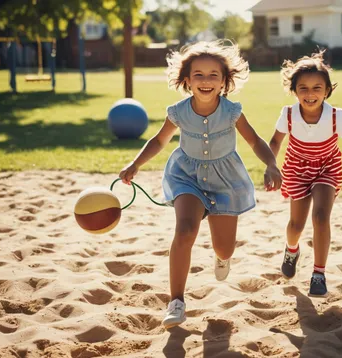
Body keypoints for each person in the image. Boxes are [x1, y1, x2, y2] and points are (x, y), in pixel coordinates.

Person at [119, 40, 282, 328]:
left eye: (213, 75)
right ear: (186, 80)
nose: (205, 81)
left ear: (224, 82)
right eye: (198, 75)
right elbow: (158, 141)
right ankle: (177, 301)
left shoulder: (232, 112)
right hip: (186, 177)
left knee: (225, 248)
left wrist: (271, 164)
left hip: (225, 181)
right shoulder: (179, 112)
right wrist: (135, 164)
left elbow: (255, 141)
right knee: (185, 230)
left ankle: (222, 258)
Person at [268, 51, 342, 297]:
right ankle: (292, 250)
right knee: (296, 225)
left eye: (316, 88)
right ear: (294, 90)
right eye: (303, 88)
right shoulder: (288, 114)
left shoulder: (336, 116)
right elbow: (275, 142)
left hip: (327, 167)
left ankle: (318, 274)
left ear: (327, 91)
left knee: (321, 217)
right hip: (297, 169)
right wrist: (271, 166)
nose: (310, 94)